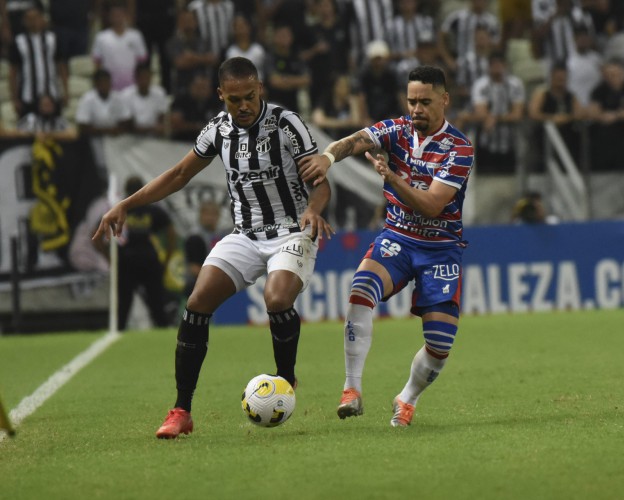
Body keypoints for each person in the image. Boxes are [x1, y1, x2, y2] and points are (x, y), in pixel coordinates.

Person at [93, 57, 333, 439]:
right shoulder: (218, 131)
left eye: (250, 97)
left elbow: (321, 181)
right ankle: (181, 410)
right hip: (244, 234)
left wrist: (314, 211)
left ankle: (285, 379)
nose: (243, 106)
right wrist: (126, 204)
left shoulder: (287, 124)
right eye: (234, 99)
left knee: (276, 298)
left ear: (261, 90)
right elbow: (178, 175)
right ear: (221, 95)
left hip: (292, 231)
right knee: (197, 301)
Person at [298, 65, 474, 427]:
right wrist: (328, 158)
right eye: (411, 101)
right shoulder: (396, 130)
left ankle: (406, 398)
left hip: (441, 247)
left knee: (440, 345)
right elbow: (355, 140)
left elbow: (432, 204)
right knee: (361, 288)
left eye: (425, 101)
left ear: (445, 100)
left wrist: (392, 177)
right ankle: (352, 389)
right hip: (398, 237)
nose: (416, 109)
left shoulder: (459, 148)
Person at [116, 175, 177, 331]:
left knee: (123, 306)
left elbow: (98, 237)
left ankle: (118, 333)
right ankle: (162, 333)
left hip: (126, 262)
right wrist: (166, 260)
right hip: (148, 260)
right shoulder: (152, 210)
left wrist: (110, 260)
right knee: (157, 305)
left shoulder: (121, 209)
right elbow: (171, 235)